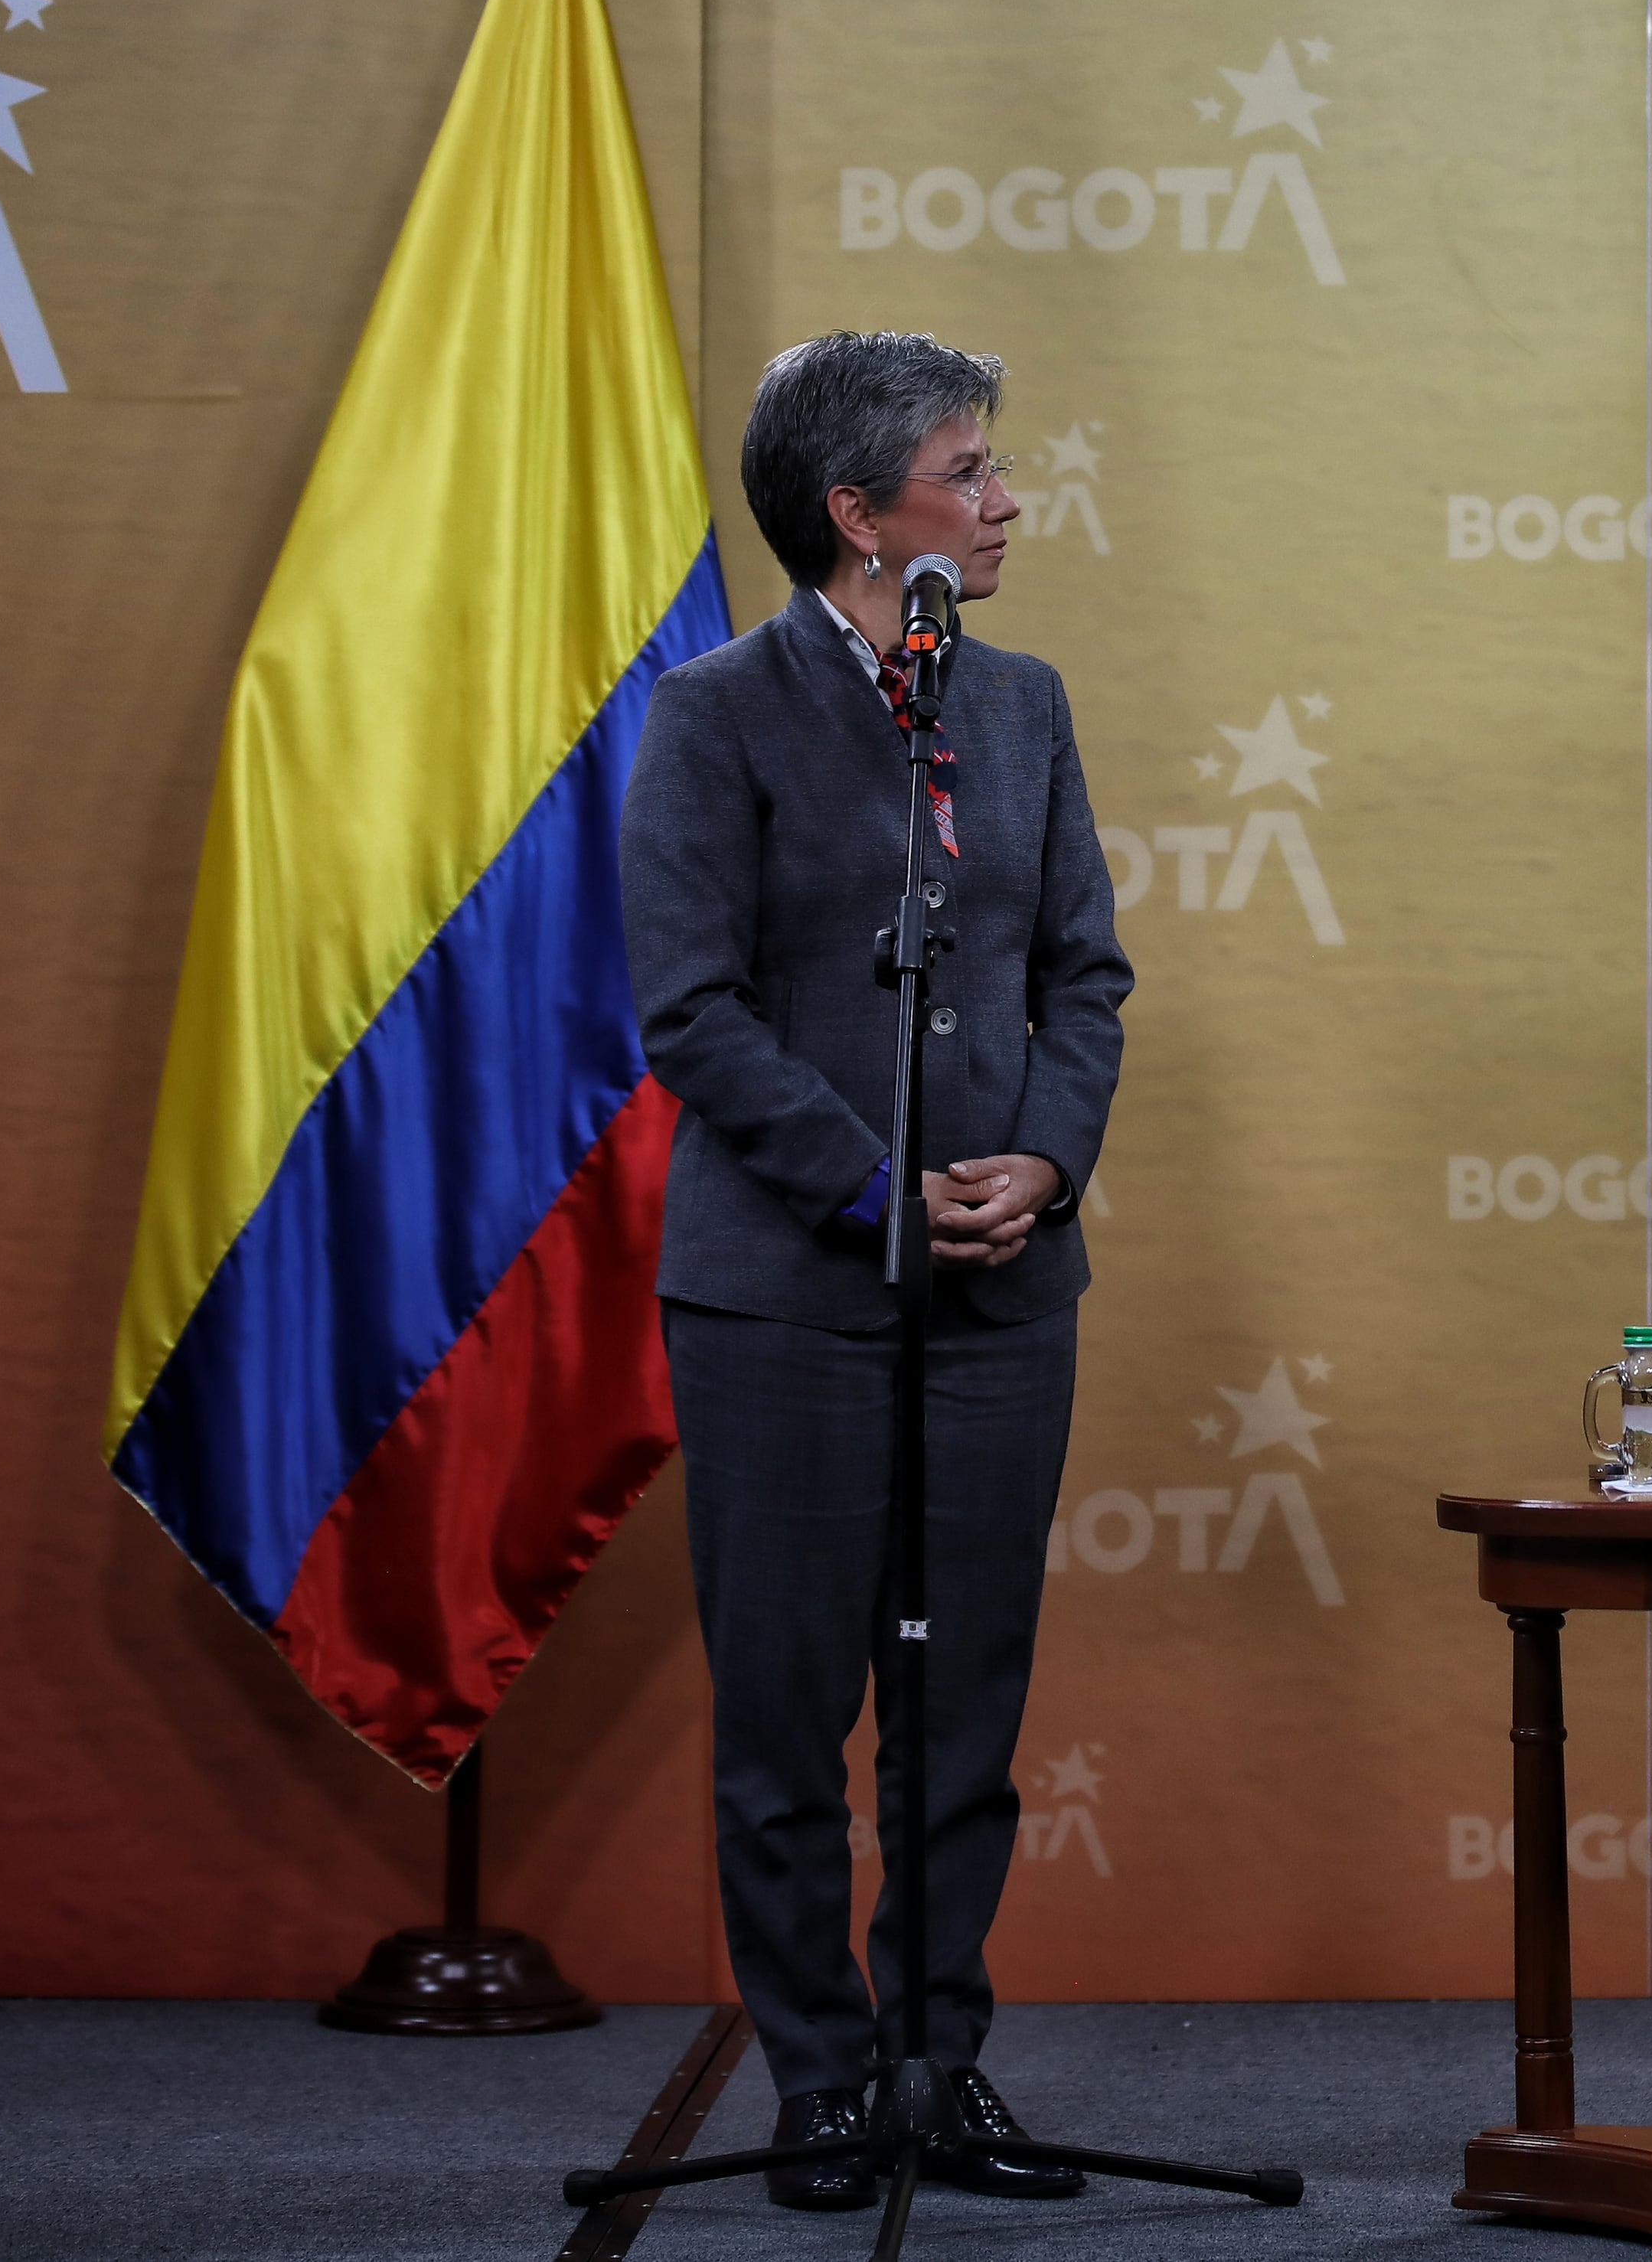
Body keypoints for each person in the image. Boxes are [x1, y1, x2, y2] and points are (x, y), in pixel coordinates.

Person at [622, 330, 1129, 2208]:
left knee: (961, 1708)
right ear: (857, 513)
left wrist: (1043, 1161)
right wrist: (875, 1190)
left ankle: (936, 2059)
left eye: (995, 467)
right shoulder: (717, 713)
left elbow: (1082, 975)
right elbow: (691, 1008)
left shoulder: (1023, 704)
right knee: (786, 1713)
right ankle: (820, 2083)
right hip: (784, 1297)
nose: (1006, 501)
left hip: (1003, 1291)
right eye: (969, 471)